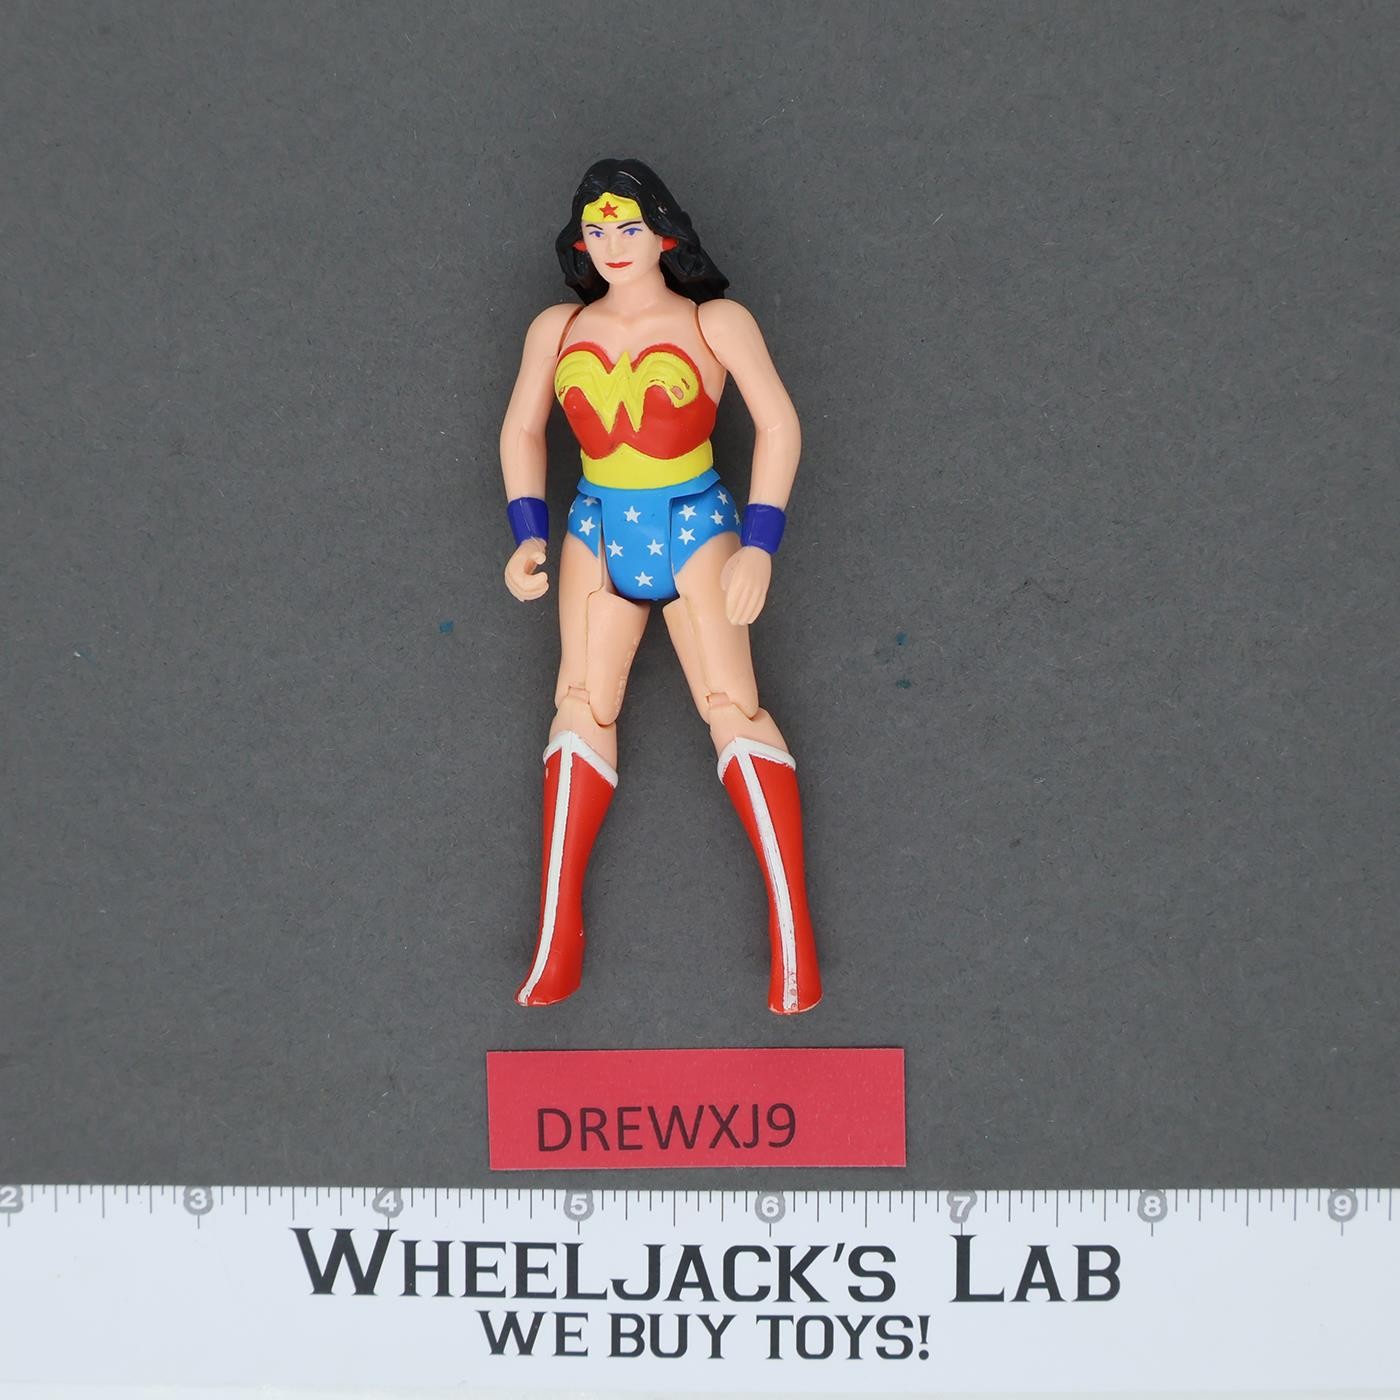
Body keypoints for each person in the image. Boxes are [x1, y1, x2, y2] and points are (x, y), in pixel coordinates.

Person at [499, 157, 822, 1014]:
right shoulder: (557, 328)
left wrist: (761, 545)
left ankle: (794, 942)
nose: (612, 243)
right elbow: (522, 430)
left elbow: (780, 425)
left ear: (664, 233)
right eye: (596, 229)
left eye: (628, 226)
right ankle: (556, 942)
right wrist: (526, 532)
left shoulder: (716, 321)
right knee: (578, 704)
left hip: (695, 525)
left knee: (732, 706)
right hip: (595, 527)